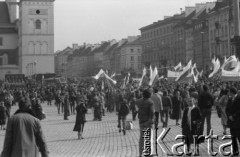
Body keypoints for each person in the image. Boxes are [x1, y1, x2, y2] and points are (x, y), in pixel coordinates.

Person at [136, 89, 154, 157]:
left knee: (141, 138)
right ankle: (149, 153)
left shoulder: (139, 101)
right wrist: (150, 119)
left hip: (141, 121)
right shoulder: (150, 102)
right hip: (148, 122)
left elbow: (135, 102)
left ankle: (140, 153)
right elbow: (152, 112)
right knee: (149, 138)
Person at [226, 87, 240, 156]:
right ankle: (235, 152)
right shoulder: (230, 99)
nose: (228, 93)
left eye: (229, 91)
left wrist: (234, 116)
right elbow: (227, 109)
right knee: (233, 137)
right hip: (231, 121)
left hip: (237, 121)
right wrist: (229, 116)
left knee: (239, 137)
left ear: (231, 92)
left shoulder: (239, 98)